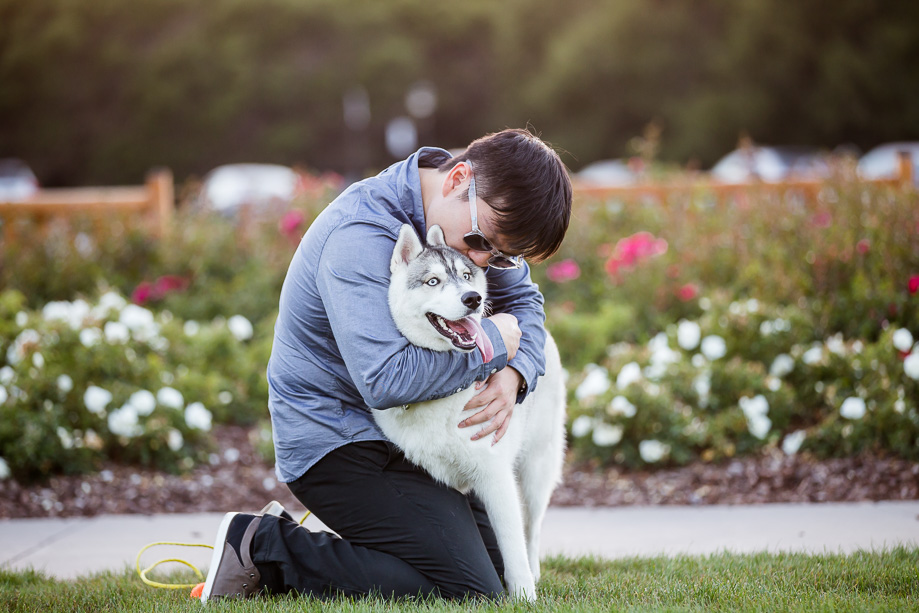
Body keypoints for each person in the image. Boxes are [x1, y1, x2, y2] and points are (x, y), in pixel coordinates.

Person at [200, 128, 572, 603]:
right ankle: (263, 547)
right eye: (482, 241)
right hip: (339, 442)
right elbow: (384, 379)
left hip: (417, 438)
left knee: (497, 571)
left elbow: (526, 302)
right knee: (471, 590)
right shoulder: (358, 236)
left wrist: (516, 373)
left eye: (500, 257)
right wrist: (491, 348)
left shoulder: (476, 222)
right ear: (459, 178)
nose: (481, 262)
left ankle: (393, 544)